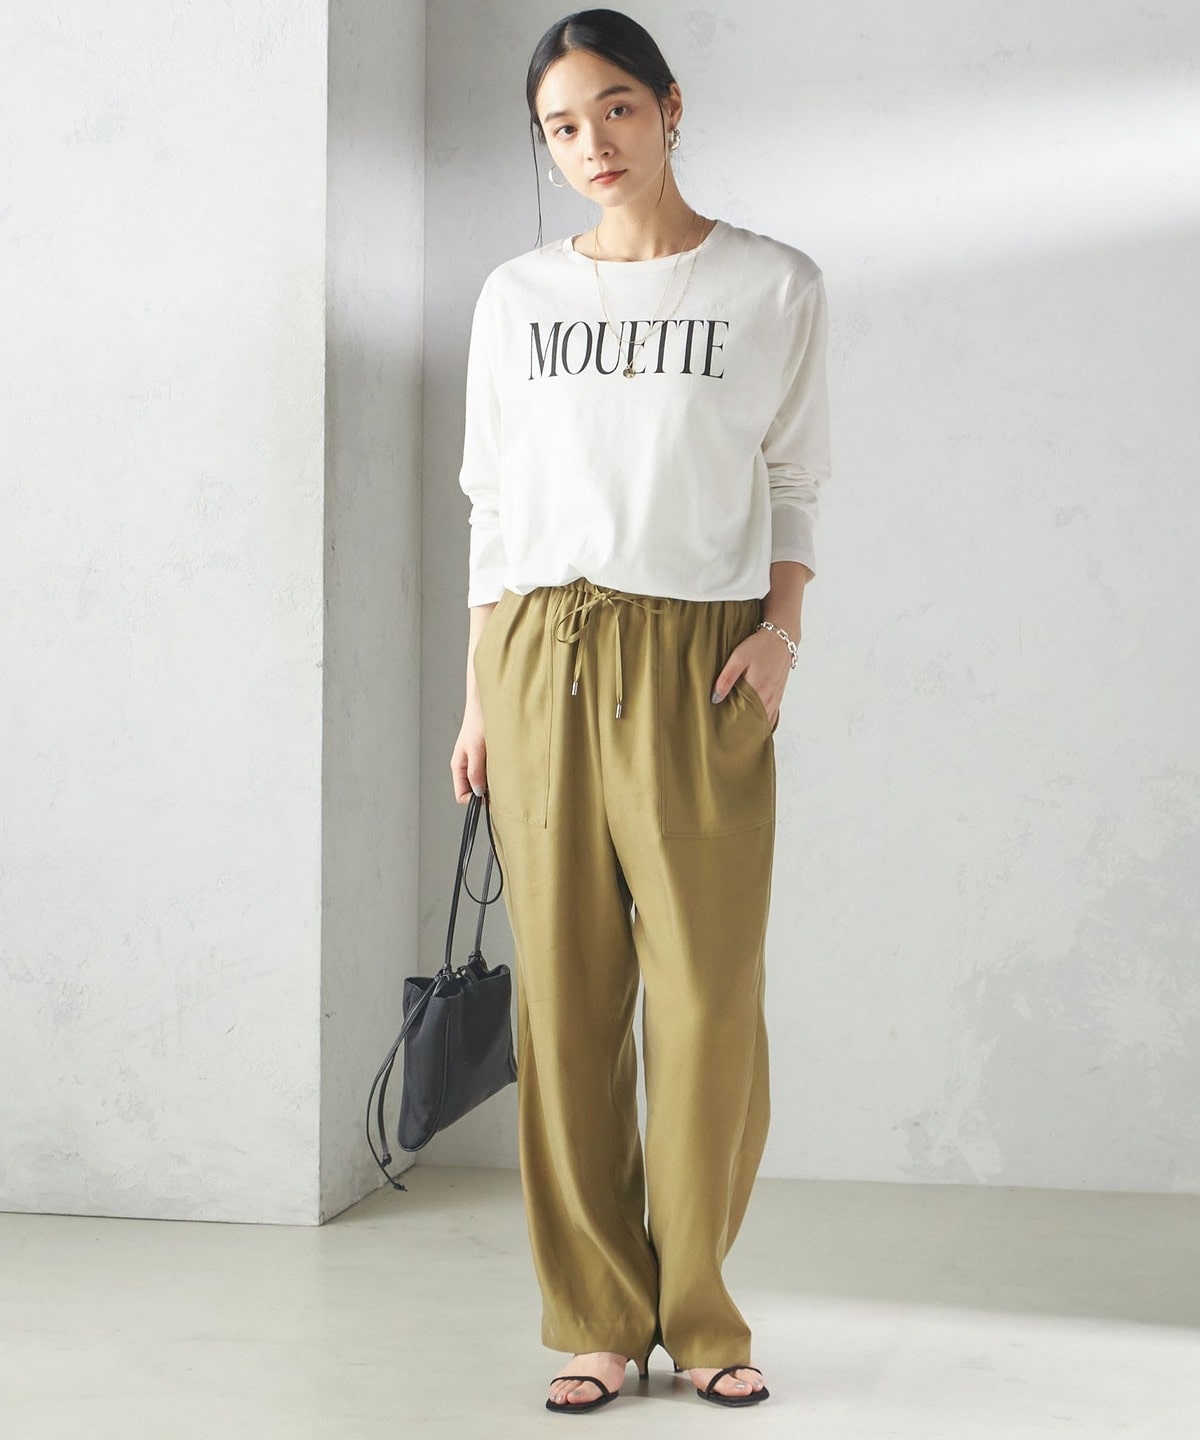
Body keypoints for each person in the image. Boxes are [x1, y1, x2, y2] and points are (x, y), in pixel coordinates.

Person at [448, 6, 831, 1415]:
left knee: (711, 1003)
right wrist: (479, 699)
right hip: (541, 653)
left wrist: (781, 633)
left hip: (699, 660)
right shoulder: (517, 299)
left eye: (615, 107)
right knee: (566, 1003)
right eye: (561, 125)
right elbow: (493, 511)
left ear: (670, 107)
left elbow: (793, 482)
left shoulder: (772, 285)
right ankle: (599, 1318)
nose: (592, 143)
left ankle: (702, 1309)